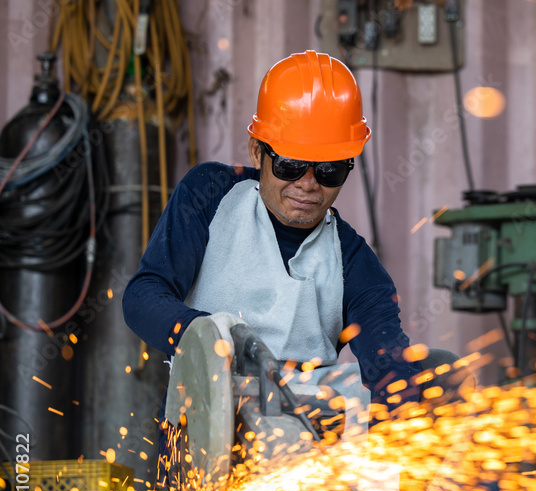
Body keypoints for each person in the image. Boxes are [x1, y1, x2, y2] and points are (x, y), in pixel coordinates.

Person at [122, 50, 423, 446]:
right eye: (291, 165)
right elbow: (143, 295)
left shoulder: (353, 263)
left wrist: (404, 425)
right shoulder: (210, 195)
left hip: (310, 457)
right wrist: (202, 336)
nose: (308, 184)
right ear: (257, 151)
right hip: (203, 441)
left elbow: (389, 365)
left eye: (329, 170)